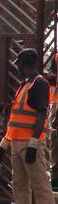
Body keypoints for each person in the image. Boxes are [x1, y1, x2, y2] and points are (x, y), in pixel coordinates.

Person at [0, 48, 54, 204]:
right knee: (19, 186)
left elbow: (41, 115)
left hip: (30, 144)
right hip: (16, 144)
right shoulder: (24, 85)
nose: (17, 68)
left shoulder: (40, 83)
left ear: (23, 64)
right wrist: (3, 145)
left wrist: (33, 144)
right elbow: (15, 120)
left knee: (40, 186)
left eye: (18, 64)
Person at [46, 52, 58, 190]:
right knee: (54, 141)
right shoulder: (57, 56)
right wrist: (53, 76)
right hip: (56, 102)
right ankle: (55, 179)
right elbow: (51, 74)